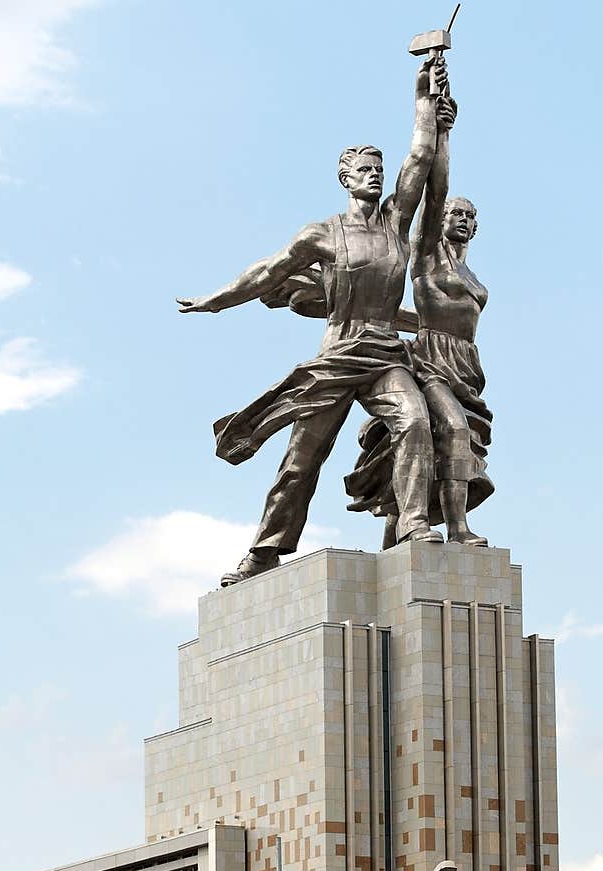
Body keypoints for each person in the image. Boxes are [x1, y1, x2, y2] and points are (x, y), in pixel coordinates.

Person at [177, 55, 452, 585]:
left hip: (384, 353)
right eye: (364, 170)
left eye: (378, 169)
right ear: (345, 179)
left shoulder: (397, 221)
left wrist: (425, 102)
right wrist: (216, 299)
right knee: (303, 459)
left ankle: (414, 523)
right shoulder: (321, 234)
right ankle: (264, 549)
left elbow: (419, 157)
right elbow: (266, 272)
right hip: (339, 352)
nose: (374, 176)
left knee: (414, 421)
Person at [345, 84, 493, 546]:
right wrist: (443, 132)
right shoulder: (428, 256)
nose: (463, 220)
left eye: (471, 215)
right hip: (430, 358)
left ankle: (403, 528)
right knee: (449, 428)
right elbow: (437, 184)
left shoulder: (470, 272)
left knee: (456, 439)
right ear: (440, 220)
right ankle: (458, 527)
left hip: (466, 363)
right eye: (455, 214)